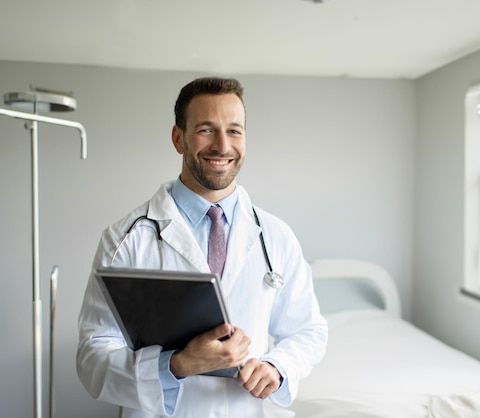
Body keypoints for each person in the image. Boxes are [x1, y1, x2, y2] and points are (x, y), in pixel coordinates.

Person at [76, 77, 328, 417]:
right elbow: (93, 359)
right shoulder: (126, 237)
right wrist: (177, 364)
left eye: (234, 131)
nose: (223, 145)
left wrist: (277, 367)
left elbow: (308, 330)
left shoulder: (276, 235)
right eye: (206, 130)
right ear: (178, 138)